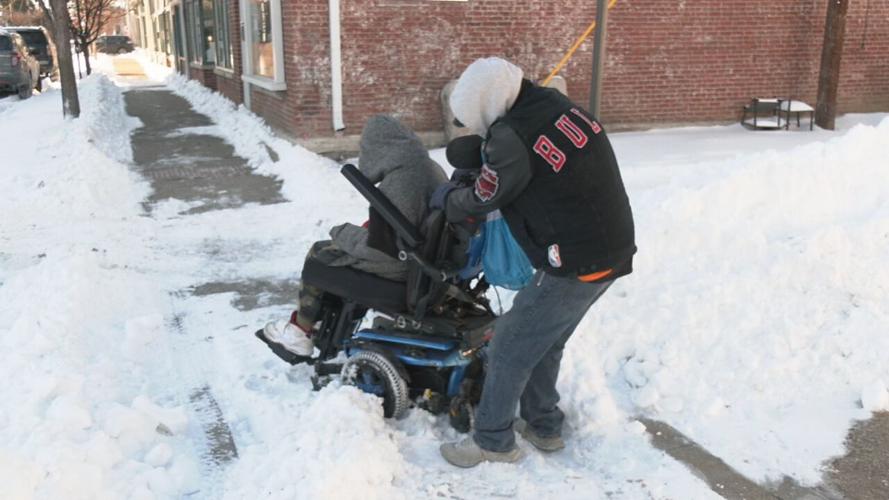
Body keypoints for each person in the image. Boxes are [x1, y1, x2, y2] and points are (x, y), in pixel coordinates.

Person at [434, 57, 636, 467]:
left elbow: (486, 196)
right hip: (610, 249)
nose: (479, 129)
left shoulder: (511, 135)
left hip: (575, 260)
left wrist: (448, 201)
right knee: (545, 338)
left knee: (508, 344)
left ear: (488, 104)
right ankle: (543, 425)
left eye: (477, 120)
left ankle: (492, 441)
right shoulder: (553, 103)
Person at [259, 115, 447, 357]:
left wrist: (342, 233)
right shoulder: (428, 168)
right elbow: (401, 225)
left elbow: (382, 250)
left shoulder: (403, 181)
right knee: (342, 249)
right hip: (423, 262)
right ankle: (319, 324)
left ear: (379, 148)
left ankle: (299, 332)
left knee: (320, 253)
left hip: (403, 266)